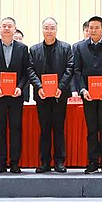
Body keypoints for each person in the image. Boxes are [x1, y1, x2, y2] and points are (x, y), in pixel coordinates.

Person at [0, 17, 39, 174]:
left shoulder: (23, 48)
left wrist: (20, 87)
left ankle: (14, 163)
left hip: (16, 96)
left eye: (9, 26)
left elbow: (27, 72)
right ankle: (0, 163)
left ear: (15, 29)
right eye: (4, 26)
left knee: (16, 129)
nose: (6, 28)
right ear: (0, 28)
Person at [73, 16, 102, 174]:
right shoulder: (79, 47)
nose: (93, 30)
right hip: (88, 95)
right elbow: (77, 71)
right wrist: (82, 89)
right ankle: (92, 162)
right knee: (92, 129)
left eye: (96, 27)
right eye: (90, 27)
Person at [29, 17, 74, 173]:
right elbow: (30, 70)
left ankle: (60, 162)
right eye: (46, 28)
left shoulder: (66, 48)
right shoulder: (34, 50)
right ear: (42, 30)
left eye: (52, 28)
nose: (49, 31)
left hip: (59, 95)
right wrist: (39, 86)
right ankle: (45, 162)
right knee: (45, 129)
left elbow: (70, 68)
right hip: (41, 95)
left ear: (56, 29)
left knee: (59, 128)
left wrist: (60, 87)